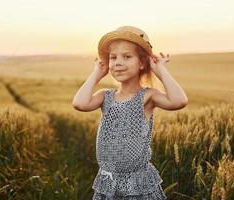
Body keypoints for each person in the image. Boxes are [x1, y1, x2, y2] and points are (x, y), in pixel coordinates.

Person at [72, 26, 188, 200]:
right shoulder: (105, 96)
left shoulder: (147, 96)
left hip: (137, 183)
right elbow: (79, 103)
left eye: (127, 57)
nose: (118, 62)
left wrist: (160, 71)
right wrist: (96, 74)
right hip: (108, 180)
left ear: (142, 63)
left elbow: (179, 101)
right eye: (113, 58)